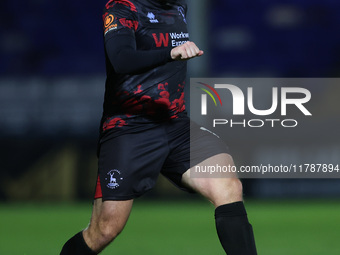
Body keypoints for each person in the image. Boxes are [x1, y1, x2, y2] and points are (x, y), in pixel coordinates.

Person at [60, 0, 257, 254]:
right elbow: (121, 59)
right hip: (130, 127)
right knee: (104, 231)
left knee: (228, 186)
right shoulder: (122, 7)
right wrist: (170, 52)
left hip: (175, 124)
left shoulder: (179, 7)